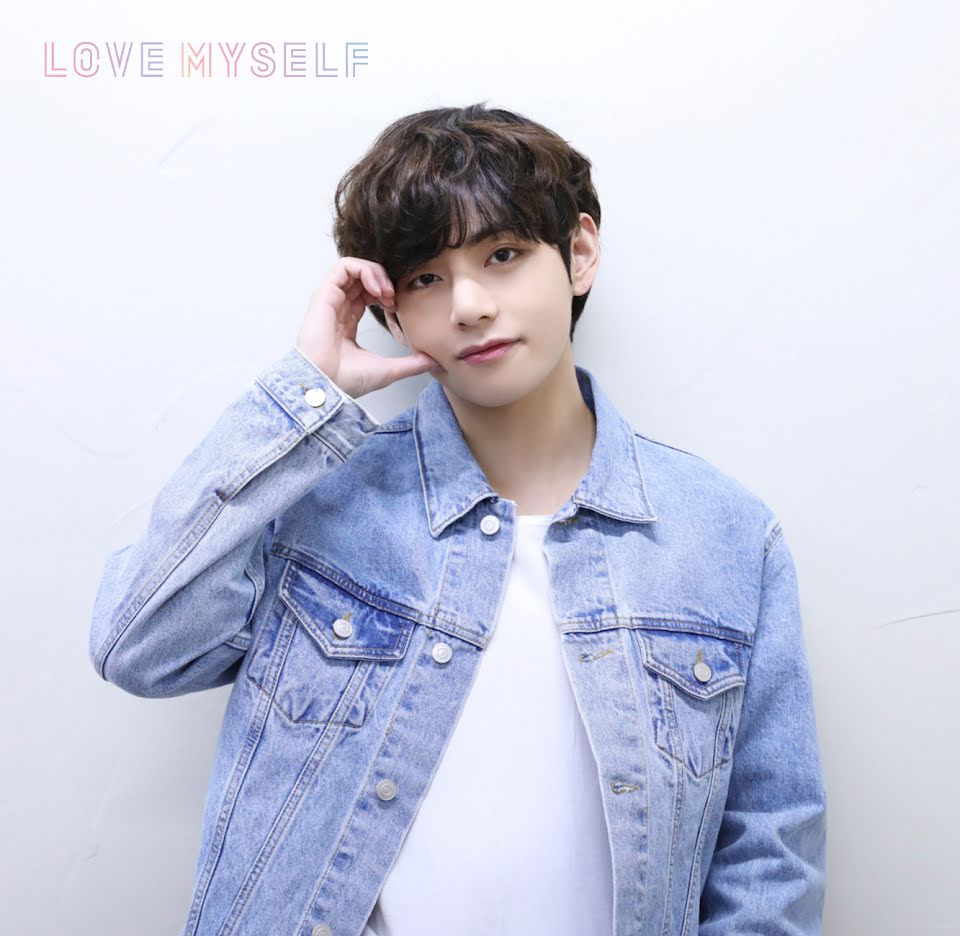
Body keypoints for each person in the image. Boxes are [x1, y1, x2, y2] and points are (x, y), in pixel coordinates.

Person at [88, 102, 827, 936]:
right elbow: (136, 646)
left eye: (502, 255)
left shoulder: (725, 537)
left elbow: (771, 851)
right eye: (425, 278)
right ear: (389, 308)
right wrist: (306, 393)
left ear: (579, 252)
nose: (469, 305)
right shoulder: (317, 507)